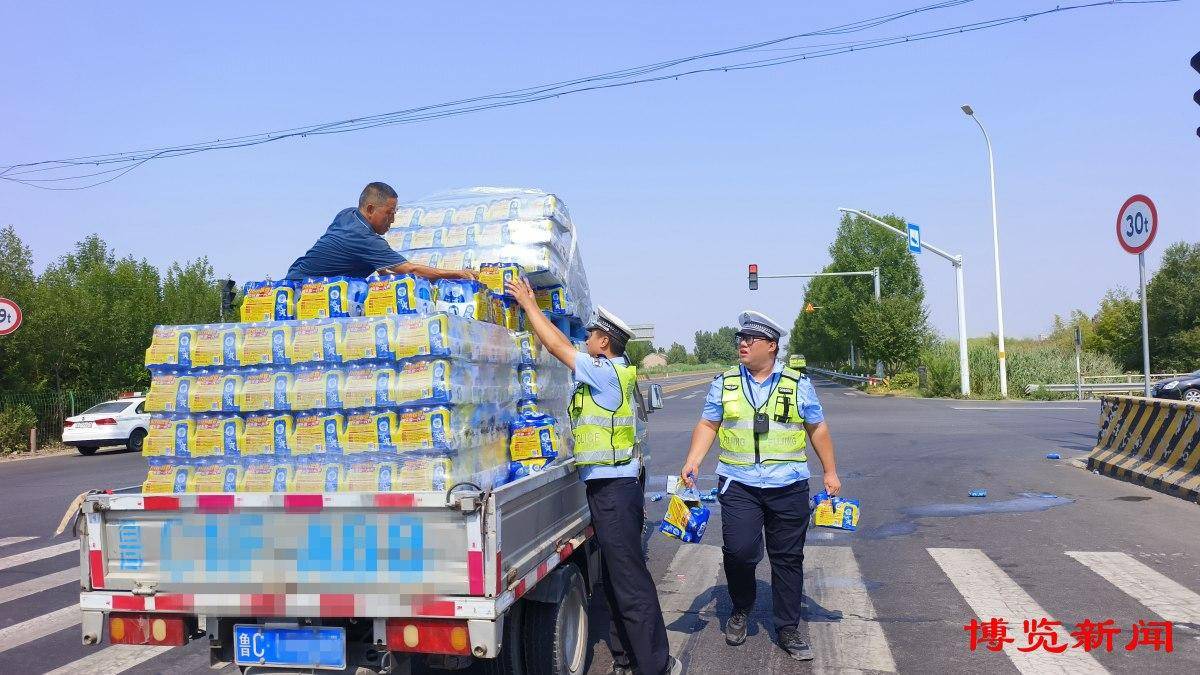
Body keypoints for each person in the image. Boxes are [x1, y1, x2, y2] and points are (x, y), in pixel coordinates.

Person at [505, 277, 681, 675]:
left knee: (631, 581)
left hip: (616, 492)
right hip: (613, 489)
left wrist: (529, 304)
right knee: (619, 579)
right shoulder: (609, 373)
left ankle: (655, 664)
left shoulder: (605, 373)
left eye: (592, 333)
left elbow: (555, 346)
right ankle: (625, 657)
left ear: (606, 342)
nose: (586, 338)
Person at [679, 311, 841, 662]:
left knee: (787, 558)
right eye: (741, 338)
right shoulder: (724, 382)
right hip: (739, 483)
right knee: (738, 552)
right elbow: (708, 423)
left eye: (751, 339)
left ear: (771, 346)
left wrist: (830, 472)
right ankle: (741, 607)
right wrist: (693, 460)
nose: (743, 343)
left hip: (789, 484)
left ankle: (787, 627)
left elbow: (818, 429)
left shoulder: (798, 384)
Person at [285, 182, 478, 282]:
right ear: (370, 209)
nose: (392, 220)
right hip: (304, 289)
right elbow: (410, 269)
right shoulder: (364, 238)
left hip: (298, 276)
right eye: (389, 213)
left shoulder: (347, 215)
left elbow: (379, 267)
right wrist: (458, 274)